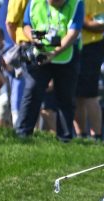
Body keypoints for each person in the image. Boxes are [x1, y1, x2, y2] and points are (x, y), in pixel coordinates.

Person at [15, 0, 84, 141]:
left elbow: (73, 32)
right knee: (32, 89)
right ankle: (22, 133)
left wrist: (53, 54)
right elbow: (26, 25)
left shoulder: (77, 3)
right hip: (39, 52)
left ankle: (65, 138)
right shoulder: (35, 2)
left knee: (65, 96)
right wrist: (33, 38)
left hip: (66, 56)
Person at [73, 0, 104, 139]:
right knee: (76, 96)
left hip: (91, 49)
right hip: (73, 48)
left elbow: (101, 25)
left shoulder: (95, 1)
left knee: (90, 95)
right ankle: (81, 135)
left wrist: (80, 21)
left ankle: (96, 136)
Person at [5, 0, 29, 125]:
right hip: (27, 46)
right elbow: (10, 23)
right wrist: (20, 43)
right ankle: (19, 126)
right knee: (23, 86)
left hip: (40, 45)